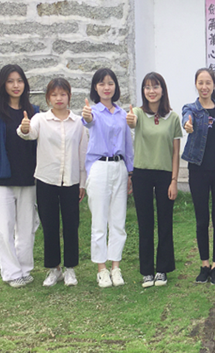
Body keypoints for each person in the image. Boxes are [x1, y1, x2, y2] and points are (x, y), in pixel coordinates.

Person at [17, 78, 87, 287]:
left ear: (69, 97)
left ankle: (70, 268)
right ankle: (53, 268)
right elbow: (29, 134)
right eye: (54, 95)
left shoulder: (78, 123)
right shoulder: (40, 119)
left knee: (71, 225)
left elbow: (82, 154)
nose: (59, 98)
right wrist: (24, 128)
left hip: (71, 181)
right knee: (49, 225)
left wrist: (82, 183)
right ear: (48, 98)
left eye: (63, 94)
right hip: (46, 179)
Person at [0, 64, 39, 288]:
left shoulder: (34, 110)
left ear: (25, 84)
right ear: (3, 84)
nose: (15, 85)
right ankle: (11, 273)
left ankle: (25, 269)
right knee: (4, 227)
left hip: (28, 176)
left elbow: (41, 136)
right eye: (10, 81)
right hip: (1, 178)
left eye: (19, 81)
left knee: (27, 227)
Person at [127, 72, 182, 288]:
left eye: (155, 86)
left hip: (165, 174)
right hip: (141, 173)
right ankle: (147, 271)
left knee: (165, 222)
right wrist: (130, 120)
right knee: (145, 222)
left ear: (162, 90)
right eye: (147, 87)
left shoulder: (173, 117)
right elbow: (131, 123)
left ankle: (162, 269)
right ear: (143, 91)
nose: (151, 91)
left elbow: (175, 152)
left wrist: (174, 180)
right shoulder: (137, 114)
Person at [82, 68, 134, 288]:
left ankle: (116, 267)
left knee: (118, 220)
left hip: (119, 167)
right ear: (96, 87)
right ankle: (101, 269)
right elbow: (88, 121)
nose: (106, 87)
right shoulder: (93, 112)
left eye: (110, 83)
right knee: (99, 220)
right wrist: (87, 117)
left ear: (116, 87)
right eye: (102, 83)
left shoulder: (123, 114)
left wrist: (130, 172)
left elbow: (128, 145)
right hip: (99, 168)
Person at [182, 68, 215, 285]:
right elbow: (186, 120)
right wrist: (187, 124)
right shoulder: (191, 109)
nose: (204, 87)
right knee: (202, 219)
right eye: (200, 83)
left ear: (214, 85)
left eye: (208, 83)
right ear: (196, 84)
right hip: (198, 170)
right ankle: (204, 264)